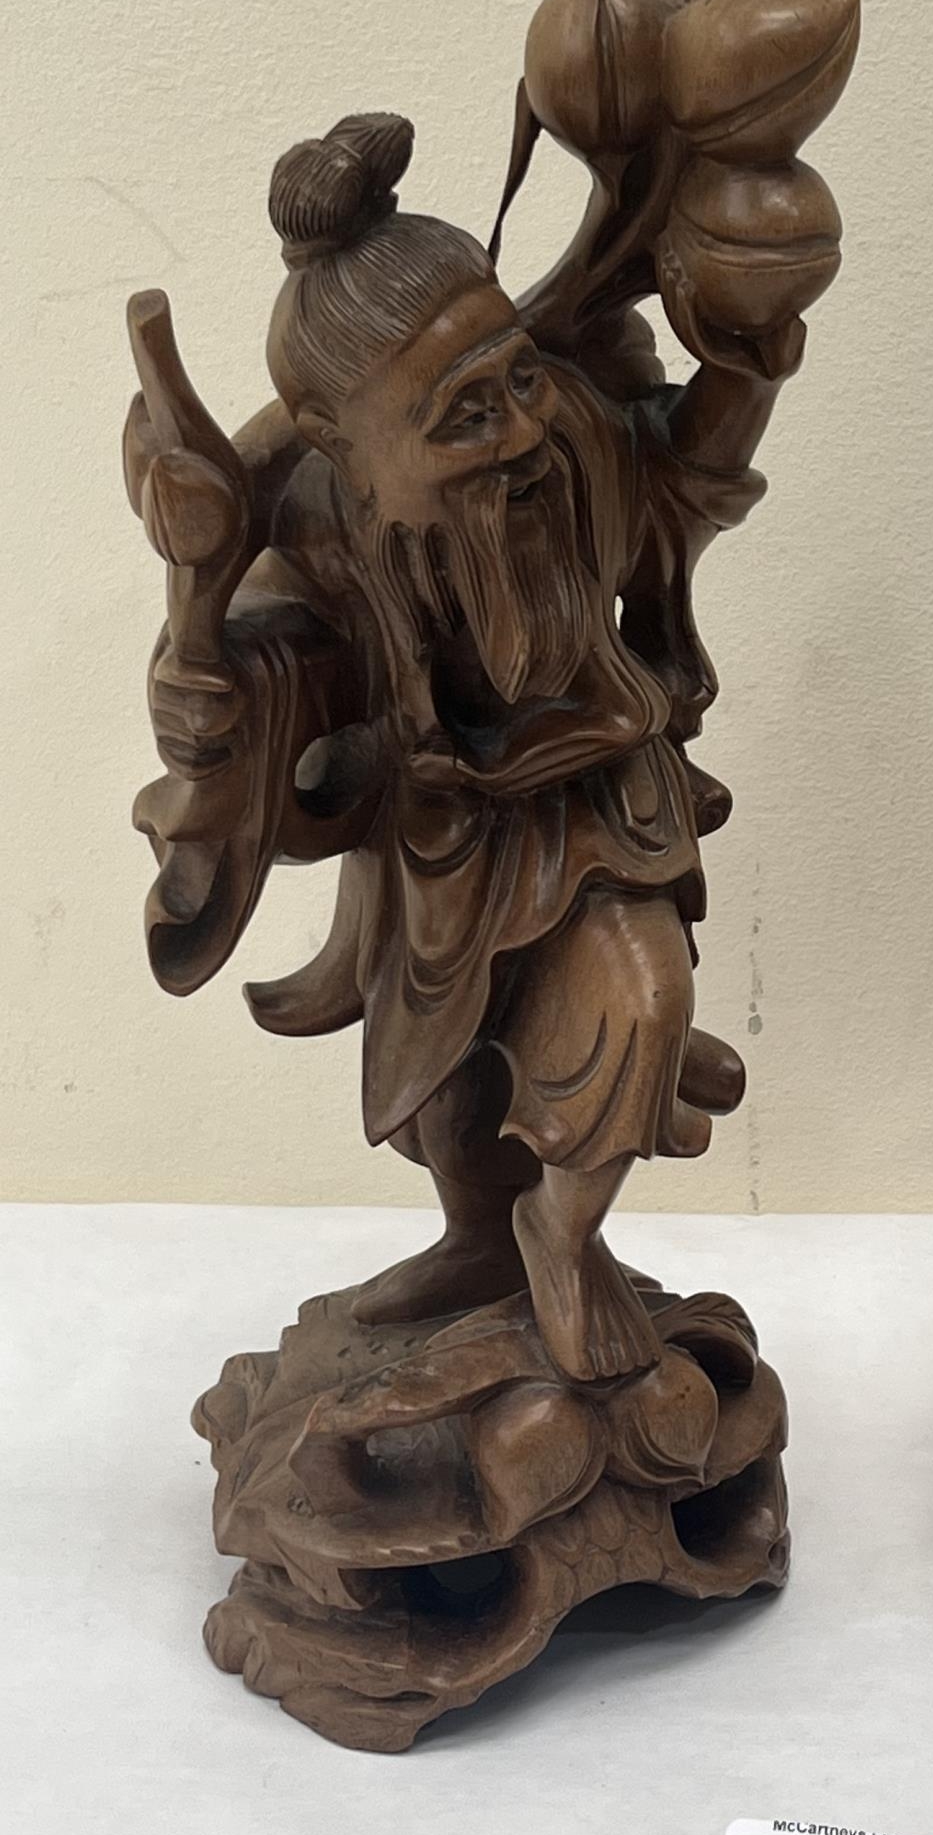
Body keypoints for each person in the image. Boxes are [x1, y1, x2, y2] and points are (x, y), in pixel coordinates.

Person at [129, 110, 794, 1380]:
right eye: (464, 416)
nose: (519, 432)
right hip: (438, 844)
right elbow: (265, 698)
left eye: (519, 380)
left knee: (642, 995)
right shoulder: (321, 538)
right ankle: (482, 1239)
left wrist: (752, 358)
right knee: (451, 1091)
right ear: (348, 449)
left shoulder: (573, 444)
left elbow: (686, 482)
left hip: (598, 795)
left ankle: (562, 1230)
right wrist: (204, 686)